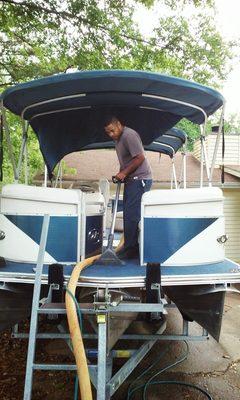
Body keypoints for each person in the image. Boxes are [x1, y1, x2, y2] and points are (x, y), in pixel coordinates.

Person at [104, 115, 152, 259]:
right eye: (108, 132)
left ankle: (132, 250)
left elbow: (140, 157)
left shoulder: (129, 135)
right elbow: (126, 161)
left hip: (140, 179)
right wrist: (122, 174)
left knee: (132, 215)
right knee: (128, 214)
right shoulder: (119, 139)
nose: (111, 134)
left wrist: (124, 173)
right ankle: (128, 246)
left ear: (118, 124)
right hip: (132, 180)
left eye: (112, 130)